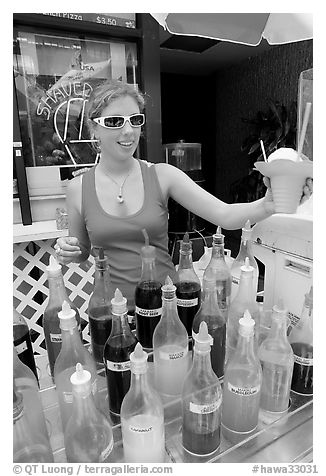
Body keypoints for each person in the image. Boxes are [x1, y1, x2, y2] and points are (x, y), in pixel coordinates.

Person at [55, 80, 313, 310]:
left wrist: (268, 204)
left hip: (168, 305)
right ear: (93, 130)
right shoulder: (78, 189)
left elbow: (224, 214)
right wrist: (70, 251)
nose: (128, 131)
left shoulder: (162, 175)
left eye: (135, 120)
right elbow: (83, 251)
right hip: (111, 312)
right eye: (114, 121)